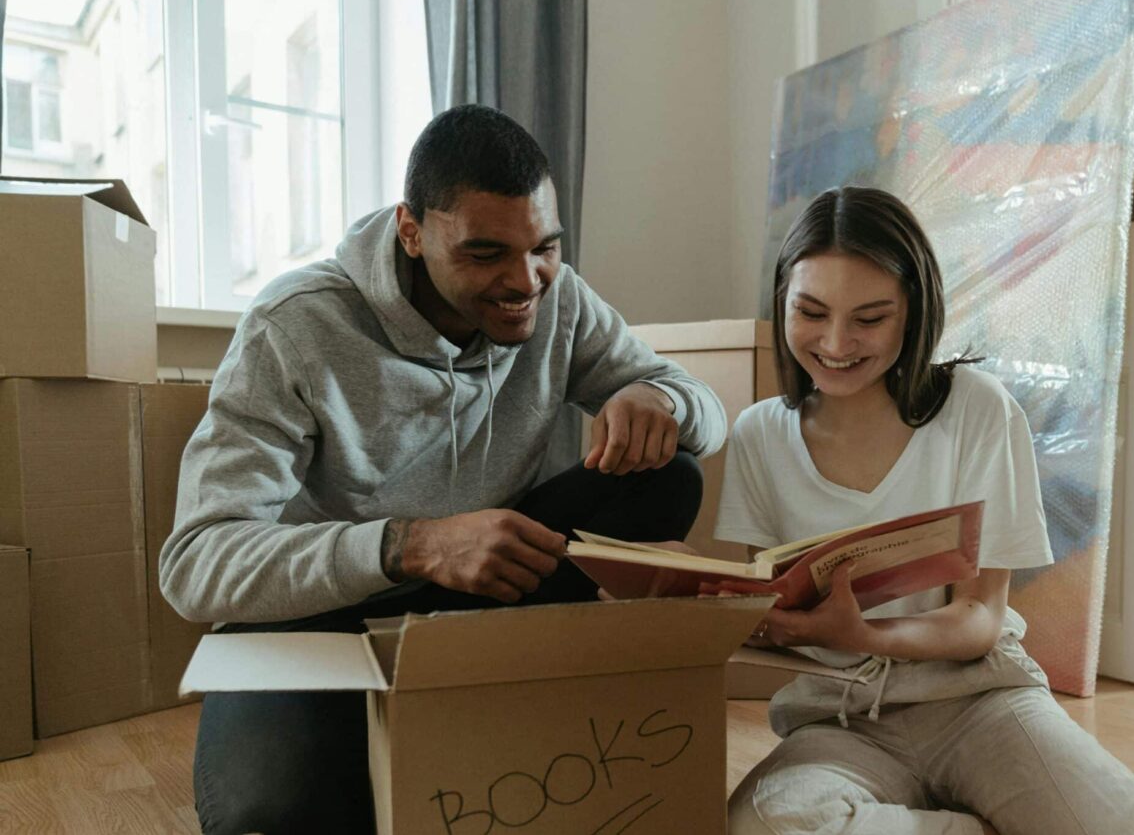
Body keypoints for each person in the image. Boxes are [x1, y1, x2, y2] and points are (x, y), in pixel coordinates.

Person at [161, 105, 726, 834]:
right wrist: (412, 544)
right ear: (411, 231)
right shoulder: (294, 326)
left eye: (546, 247)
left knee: (667, 473)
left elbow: (702, 409)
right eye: (486, 254)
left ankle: (498, 675)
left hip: (480, 592)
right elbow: (196, 564)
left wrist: (659, 397)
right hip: (317, 615)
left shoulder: (558, 297)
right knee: (277, 813)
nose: (526, 281)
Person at [716, 186, 1134, 834]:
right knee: (764, 824)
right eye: (810, 311)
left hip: (979, 698)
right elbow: (769, 604)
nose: (836, 342)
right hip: (839, 720)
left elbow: (979, 617)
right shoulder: (758, 433)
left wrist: (859, 635)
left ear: (913, 313)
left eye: (870, 318)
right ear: (782, 300)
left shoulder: (977, 410)